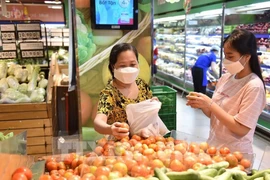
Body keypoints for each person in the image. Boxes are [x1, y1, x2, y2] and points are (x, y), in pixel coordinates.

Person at [186, 29, 266, 154]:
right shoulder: (225, 78)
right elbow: (215, 115)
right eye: (225, 55)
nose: (226, 60)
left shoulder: (254, 87)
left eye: (230, 56)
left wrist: (210, 104)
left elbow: (241, 129)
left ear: (246, 57)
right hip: (214, 148)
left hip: (235, 155)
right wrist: (202, 104)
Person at [94, 43, 158, 139]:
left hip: (144, 143)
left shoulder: (142, 85)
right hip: (120, 147)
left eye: (132, 64)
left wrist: (152, 105)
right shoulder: (109, 93)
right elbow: (98, 122)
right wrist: (110, 129)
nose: (128, 69)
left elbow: (145, 113)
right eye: (123, 66)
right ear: (113, 67)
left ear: (138, 64)